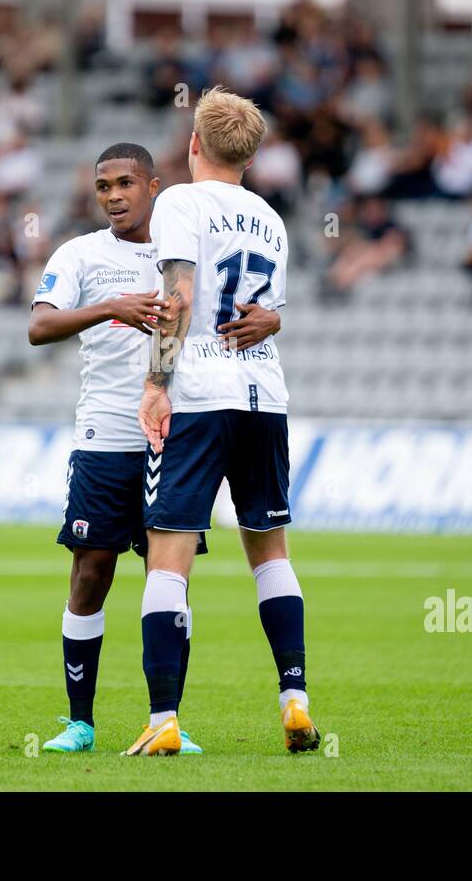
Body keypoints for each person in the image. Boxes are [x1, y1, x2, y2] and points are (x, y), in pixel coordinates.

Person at [28, 142, 283, 754]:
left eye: (125, 184)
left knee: (169, 576)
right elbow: (38, 327)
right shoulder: (80, 254)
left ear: (154, 185)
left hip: (177, 432)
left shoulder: (185, 244)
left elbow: (241, 298)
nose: (114, 196)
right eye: (103, 187)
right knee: (92, 571)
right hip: (107, 434)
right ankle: (79, 722)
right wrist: (110, 308)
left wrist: (272, 319)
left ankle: (166, 718)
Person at [128, 87, 320, 756]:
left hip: (202, 392)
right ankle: (295, 698)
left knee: (169, 554)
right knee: (269, 551)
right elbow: (265, 314)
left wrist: (156, 381)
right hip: (265, 395)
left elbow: (179, 295)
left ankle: (164, 719)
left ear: (193, 145)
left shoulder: (180, 202)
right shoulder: (271, 218)